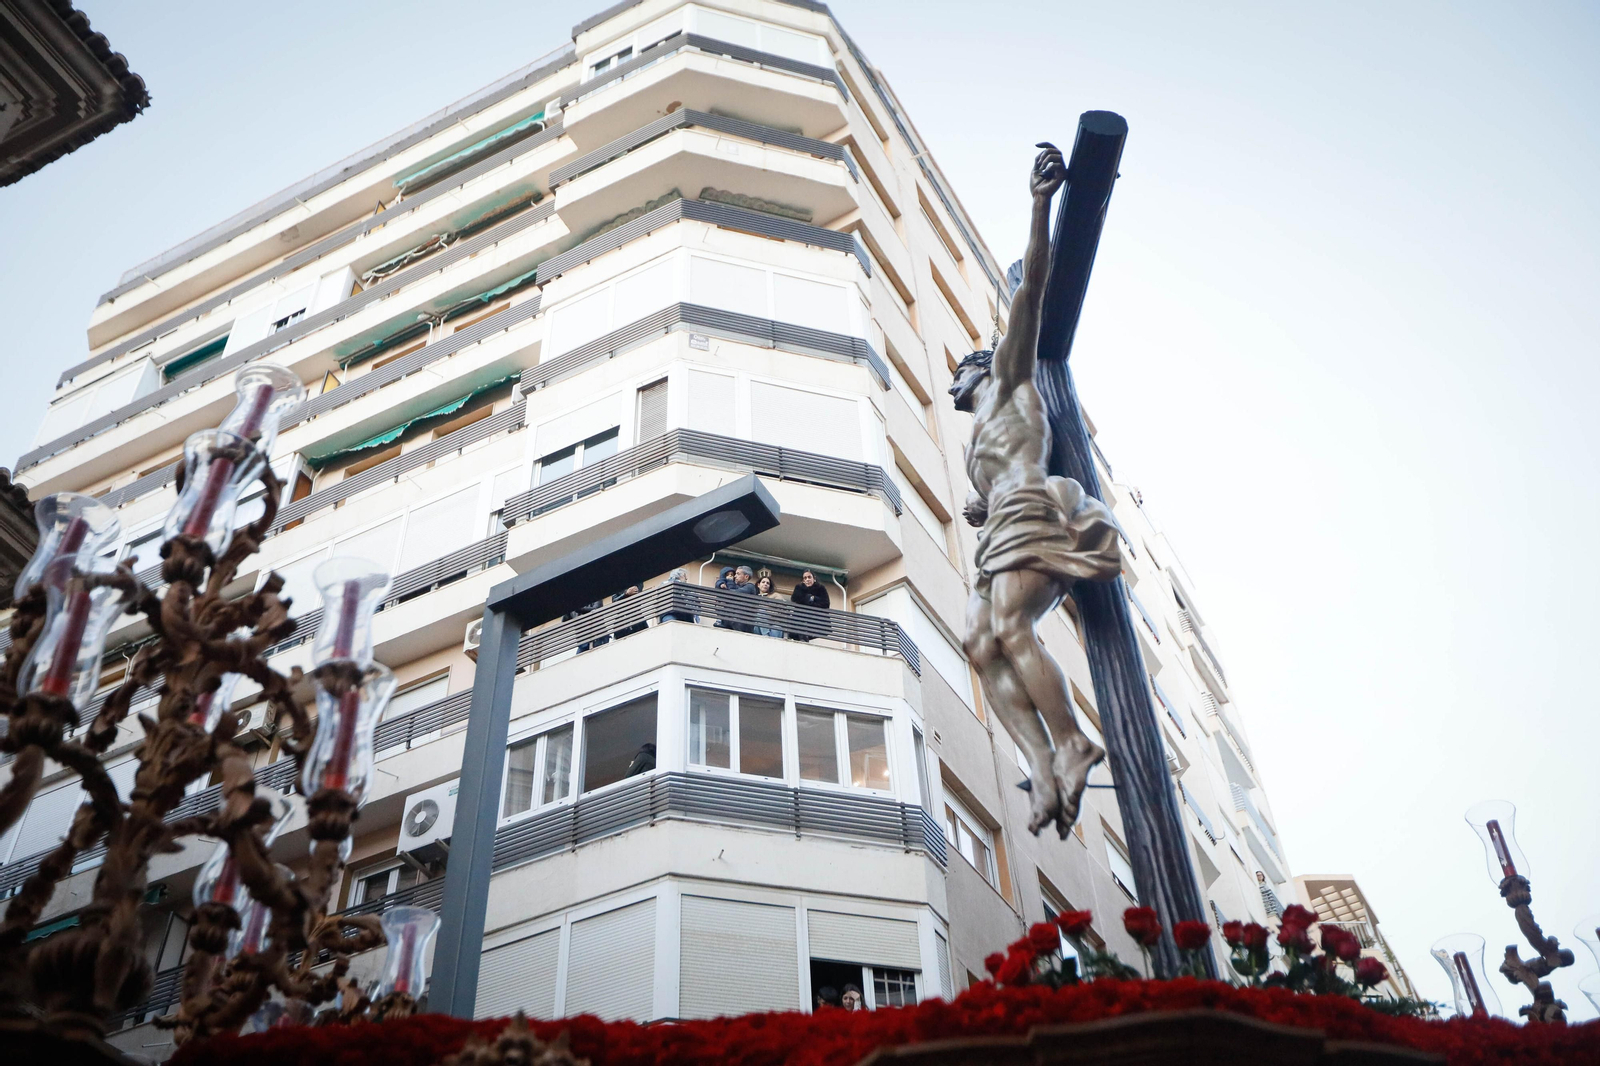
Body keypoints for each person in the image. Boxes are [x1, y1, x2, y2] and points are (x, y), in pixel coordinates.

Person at [949, 143, 1120, 838]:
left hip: (1032, 511)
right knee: (977, 642)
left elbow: (1030, 291)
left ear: (980, 366)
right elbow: (990, 474)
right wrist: (981, 505)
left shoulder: (1012, 375)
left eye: (960, 369)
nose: (953, 382)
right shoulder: (975, 437)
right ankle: (1041, 762)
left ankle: (1074, 741)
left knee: (1013, 627)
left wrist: (1040, 204)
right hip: (1001, 527)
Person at [788, 569, 830, 641]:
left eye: (809, 577)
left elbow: (826, 603)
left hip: (815, 619)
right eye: (805, 578)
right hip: (800, 619)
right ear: (803, 580)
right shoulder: (799, 588)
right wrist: (810, 598)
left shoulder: (821, 588)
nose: (807, 579)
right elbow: (795, 599)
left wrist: (813, 598)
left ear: (814, 578)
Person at [754, 573, 785, 638]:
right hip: (757, 628)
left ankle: (767, 637)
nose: (765, 584)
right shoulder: (754, 597)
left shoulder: (775, 595)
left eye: (768, 583)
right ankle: (766, 635)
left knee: (777, 627)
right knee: (761, 610)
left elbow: (782, 608)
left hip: (774, 625)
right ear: (758, 585)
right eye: (763, 582)